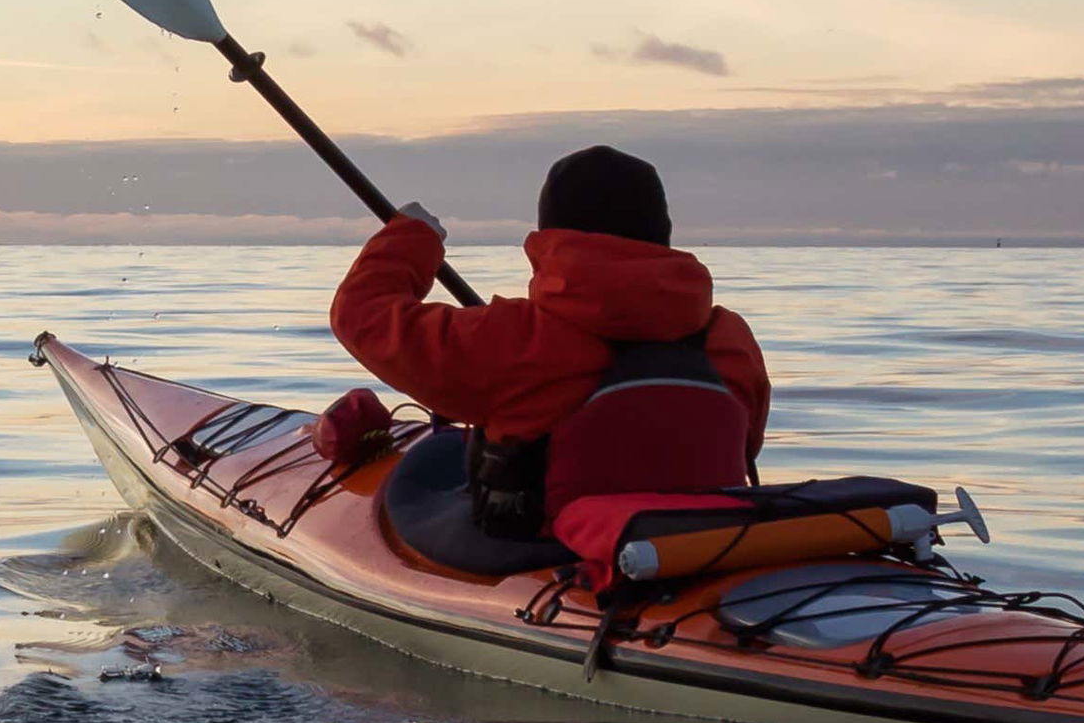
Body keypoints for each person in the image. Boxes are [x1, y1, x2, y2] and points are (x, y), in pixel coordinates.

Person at [330, 145, 770, 537]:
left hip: (543, 550)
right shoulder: (731, 340)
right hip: (703, 544)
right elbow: (746, 443)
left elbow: (361, 315)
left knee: (435, 457)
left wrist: (411, 237)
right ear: (662, 232)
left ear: (550, 236)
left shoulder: (513, 340)